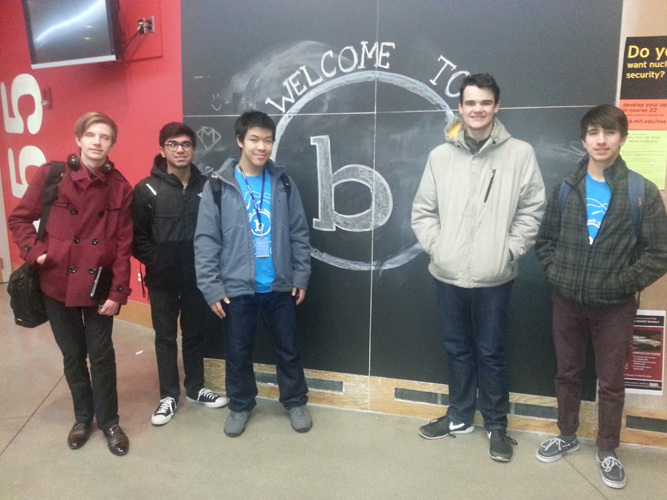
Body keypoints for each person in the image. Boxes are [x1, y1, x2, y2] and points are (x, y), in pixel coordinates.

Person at [411, 74, 545, 462]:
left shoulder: (520, 154)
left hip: (494, 275)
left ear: (496, 106)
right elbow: (422, 211)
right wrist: (438, 248)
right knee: (456, 349)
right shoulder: (440, 156)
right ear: (461, 107)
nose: (477, 109)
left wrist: (510, 251)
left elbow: (532, 209)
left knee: (491, 352)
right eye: (470, 103)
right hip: (448, 272)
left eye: (485, 102)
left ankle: (497, 426)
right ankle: (459, 417)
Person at [534, 105, 667, 488]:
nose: (601, 140)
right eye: (594, 132)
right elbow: (545, 242)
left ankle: (607, 449)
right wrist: (558, 274)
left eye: (609, 132)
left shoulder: (642, 191)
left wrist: (623, 282)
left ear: (622, 138)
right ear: (584, 140)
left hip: (615, 307)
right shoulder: (566, 188)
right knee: (567, 374)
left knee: (610, 381)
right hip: (567, 301)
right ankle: (567, 434)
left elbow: (658, 253)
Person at [8, 112, 133, 456]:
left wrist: (118, 292)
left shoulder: (120, 187)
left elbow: (123, 245)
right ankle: (82, 418)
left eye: (104, 137)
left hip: (98, 287)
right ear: (79, 138)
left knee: (102, 355)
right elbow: (19, 218)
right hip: (56, 283)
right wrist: (38, 253)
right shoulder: (52, 175)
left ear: (112, 143)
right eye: (91, 135)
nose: (97, 142)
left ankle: (109, 421)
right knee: (73, 355)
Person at [195, 110, 311, 437]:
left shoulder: (283, 183)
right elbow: (205, 241)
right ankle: (241, 405)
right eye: (255, 140)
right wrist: (212, 288)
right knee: (238, 352)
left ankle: (295, 400)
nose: (262, 147)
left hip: (279, 284)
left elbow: (299, 234)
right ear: (240, 141)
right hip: (236, 287)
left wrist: (300, 276)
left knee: (289, 348)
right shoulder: (219, 186)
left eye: (268, 140)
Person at [131, 122, 229, 426]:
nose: (180, 149)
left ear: (194, 149)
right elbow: (137, 239)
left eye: (186, 144)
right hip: (162, 280)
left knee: (195, 335)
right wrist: (159, 261)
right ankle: (169, 396)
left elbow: (220, 232)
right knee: (165, 338)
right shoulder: (146, 188)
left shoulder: (208, 186)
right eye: (172, 144)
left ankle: (196, 388)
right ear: (162, 149)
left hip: (197, 280)